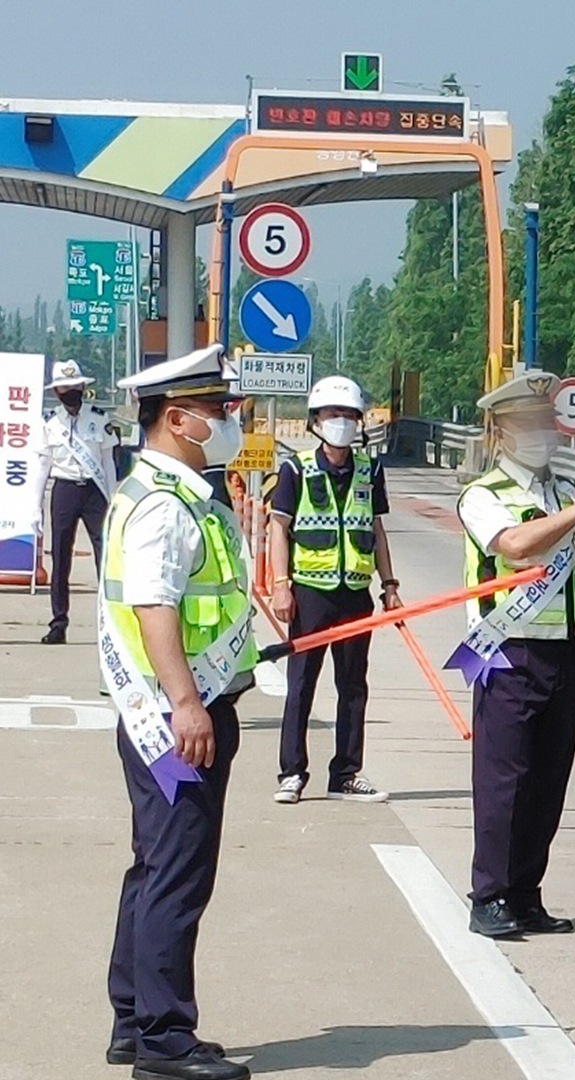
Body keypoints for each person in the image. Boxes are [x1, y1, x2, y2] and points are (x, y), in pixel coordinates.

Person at [99, 345, 254, 1080]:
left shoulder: (163, 492)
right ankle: (163, 1038)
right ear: (178, 418)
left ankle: (133, 1018)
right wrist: (189, 705)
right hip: (176, 717)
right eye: (218, 411)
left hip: (156, 712)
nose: (227, 422)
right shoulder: (166, 505)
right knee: (177, 875)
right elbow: (153, 603)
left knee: (154, 866)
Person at [453, 371, 575, 938]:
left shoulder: (562, 493)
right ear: (500, 432)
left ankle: (526, 895)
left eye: (545, 423)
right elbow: (515, 545)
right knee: (504, 782)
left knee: (548, 782)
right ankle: (490, 897)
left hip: (562, 654)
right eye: (527, 425)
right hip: (506, 654)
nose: (541, 434)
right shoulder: (484, 496)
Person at [268, 376, 397, 805]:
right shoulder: (295, 470)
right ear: (316, 420)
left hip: (355, 593)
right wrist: (281, 586)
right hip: (309, 594)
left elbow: (376, 530)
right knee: (301, 685)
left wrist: (390, 585)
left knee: (353, 686)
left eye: (348, 415)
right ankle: (291, 773)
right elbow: (278, 529)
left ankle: (345, 773)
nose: (341, 422)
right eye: (332, 414)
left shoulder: (370, 470)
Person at [33, 359, 119, 645]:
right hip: (64, 489)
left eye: (75, 386)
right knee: (60, 557)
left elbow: (108, 462)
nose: (70, 392)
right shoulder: (49, 422)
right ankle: (58, 622)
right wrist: (36, 507)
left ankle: (112, 622)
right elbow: (43, 466)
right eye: (64, 388)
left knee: (106, 558)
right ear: (57, 392)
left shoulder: (99, 418)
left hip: (94, 492)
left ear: (83, 387)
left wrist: (114, 498)